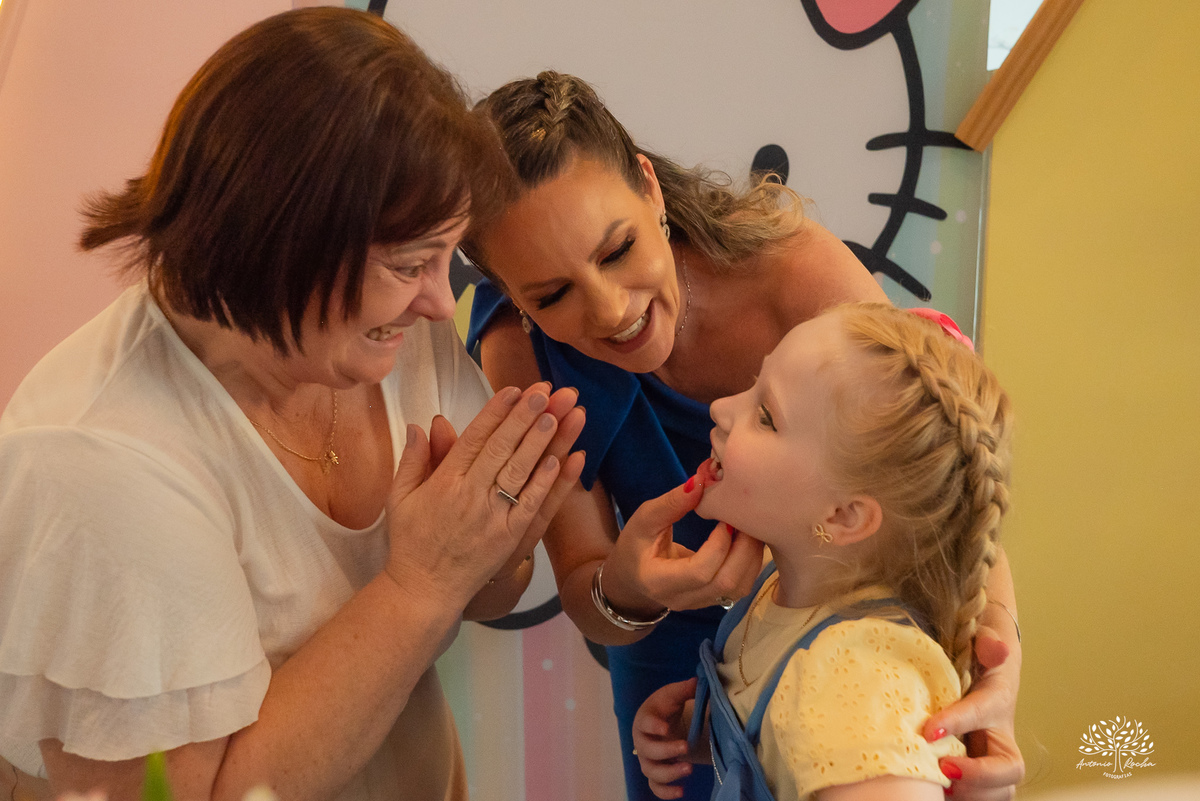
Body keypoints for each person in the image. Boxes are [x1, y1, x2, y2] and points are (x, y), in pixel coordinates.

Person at [0, 10, 585, 801]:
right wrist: (421, 583)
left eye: (446, 257)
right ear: (281, 243)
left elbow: (490, 584)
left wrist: (486, 540)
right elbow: (205, 794)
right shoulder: (99, 465)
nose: (439, 300)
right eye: (410, 265)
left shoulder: (379, 329)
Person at [463, 71, 1023, 800]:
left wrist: (995, 661)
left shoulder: (794, 272)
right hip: (684, 663)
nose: (609, 310)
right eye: (552, 294)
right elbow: (587, 587)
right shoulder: (522, 353)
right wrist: (631, 589)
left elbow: (934, 473)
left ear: (649, 188)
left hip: (846, 634)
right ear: (510, 296)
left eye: (617, 250)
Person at [631, 303, 1014, 801]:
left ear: (844, 517)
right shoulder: (782, 591)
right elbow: (795, 736)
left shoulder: (856, 675)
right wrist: (696, 731)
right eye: (753, 383)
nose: (721, 408)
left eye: (765, 416)